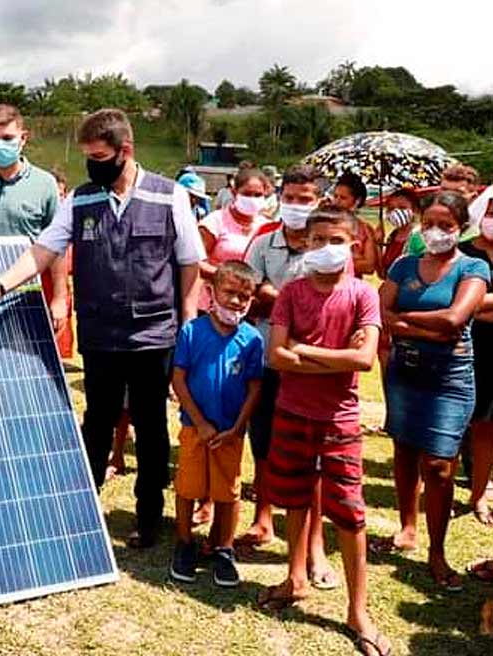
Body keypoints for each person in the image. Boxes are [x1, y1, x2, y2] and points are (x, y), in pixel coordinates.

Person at [0, 108, 204, 549]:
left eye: (99, 155)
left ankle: (148, 515)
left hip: (153, 336)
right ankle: (83, 506)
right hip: (100, 335)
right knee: (97, 420)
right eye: (88, 156)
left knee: (152, 426)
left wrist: (187, 319)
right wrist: (0, 285)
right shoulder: (80, 200)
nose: (92, 164)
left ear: (124, 151)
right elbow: (43, 250)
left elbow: (190, 262)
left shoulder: (169, 197)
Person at [259, 205, 387, 656]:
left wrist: (303, 350)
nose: (326, 248)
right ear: (305, 243)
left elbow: (364, 360)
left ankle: (358, 610)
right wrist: (329, 356)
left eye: (336, 241)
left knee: (349, 514)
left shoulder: (362, 295)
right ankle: (295, 578)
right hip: (291, 412)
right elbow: (276, 357)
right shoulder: (292, 292)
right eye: (317, 240)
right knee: (293, 498)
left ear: (353, 245)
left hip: (340, 420)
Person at [379, 191, 489, 591]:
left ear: (461, 228)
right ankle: (407, 527)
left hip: (449, 379)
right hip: (405, 373)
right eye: (430, 224)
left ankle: (437, 551)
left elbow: (456, 318)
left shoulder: (472, 267)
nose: (436, 232)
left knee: (440, 465)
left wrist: (403, 321)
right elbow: (381, 313)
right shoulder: (404, 264)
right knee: (405, 450)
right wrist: (424, 326)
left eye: (446, 225)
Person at [239, 166, 321, 560]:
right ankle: (263, 516)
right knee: (264, 438)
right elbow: (249, 288)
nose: (296, 206)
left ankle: (310, 539)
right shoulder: (264, 242)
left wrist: (278, 297)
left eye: (304, 199)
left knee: (309, 448)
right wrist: (293, 300)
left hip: (310, 362)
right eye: (289, 198)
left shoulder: (327, 246)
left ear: (317, 201)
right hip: (266, 355)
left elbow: (329, 298)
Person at [169, 261, 263, 587]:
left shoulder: (252, 339)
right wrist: (200, 422)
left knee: (228, 491)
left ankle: (224, 547)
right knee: (188, 487)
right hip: (196, 429)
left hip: (230, 433)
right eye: (230, 293)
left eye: (244, 296)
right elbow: (179, 379)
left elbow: (255, 386)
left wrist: (238, 427)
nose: (236, 302)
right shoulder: (192, 332)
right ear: (212, 292)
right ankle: (184, 543)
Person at [0, 104, 69, 357]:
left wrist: (60, 298)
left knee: (24, 372)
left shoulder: (45, 184)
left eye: (7, 138)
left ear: (23, 139)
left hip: (28, 296)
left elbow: (57, 247)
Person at [197, 167, 271, 311]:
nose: (252, 199)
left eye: (258, 195)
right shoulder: (214, 222)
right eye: (247, 194)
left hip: (251, 308)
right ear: (234, 192)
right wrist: (227, 277)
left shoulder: (268, 226)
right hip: (212, 304)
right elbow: (196, 262)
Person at [465, 190, 493, 526]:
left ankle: (481, 491)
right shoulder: (465, 254)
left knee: (489, 428)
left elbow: (471, 305)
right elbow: (460, 305)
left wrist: (478, 303)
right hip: (468, 349)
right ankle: (476, 493)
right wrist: (471, 306)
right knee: (473, 427)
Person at [333, 172, 380, 276]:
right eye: (335, 196)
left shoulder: (365, 229)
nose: (336, 201)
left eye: (343, 198)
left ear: (357, 201)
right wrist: (357, 257)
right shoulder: (322, 224)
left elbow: (369, 267)